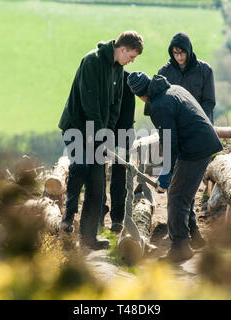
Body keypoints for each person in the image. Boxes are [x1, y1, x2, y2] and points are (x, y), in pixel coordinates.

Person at [58, 31, 143, 250]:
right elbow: (90, 105)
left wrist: (106, 135)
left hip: (97, 133)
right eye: (132, 56)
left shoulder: (118, 69)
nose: (132, 61)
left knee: (97, 187)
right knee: (80, 167)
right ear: (122, 49)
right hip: (76, 127)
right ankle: (68, 216)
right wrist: (98, 136)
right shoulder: (92, 61)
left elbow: (114, 106)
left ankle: (88, 239)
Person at [126, 72, 222, 262]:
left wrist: (166, 172)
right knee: (183, 191)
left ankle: (180, 247)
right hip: (202, 143)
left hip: (195, 148)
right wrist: (170, 170)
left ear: (140, 96)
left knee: (177, 196)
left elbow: (170, 142)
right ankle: (194, 237)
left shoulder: (160, 105)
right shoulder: (173, 89)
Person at [158, 32, 216, 248]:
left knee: (185, 187)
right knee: (181, 186)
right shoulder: (165, 72)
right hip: (176, 137)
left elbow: (209, 102)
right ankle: (192, 233)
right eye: (175, 53)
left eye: (182, 53)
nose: (179, 57)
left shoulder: (204, 70)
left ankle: (189, 235)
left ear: (189, 51)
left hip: (197, 135)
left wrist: (201, 125)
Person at [100, 70, 136, 233]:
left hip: (122, 131)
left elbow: (128, 113)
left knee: (119, 172)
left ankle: (117, 218)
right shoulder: (99, 75)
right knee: (97, 172)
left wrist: (120, 142)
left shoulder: (127, 79)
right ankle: (99, 213)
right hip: (100, 130)